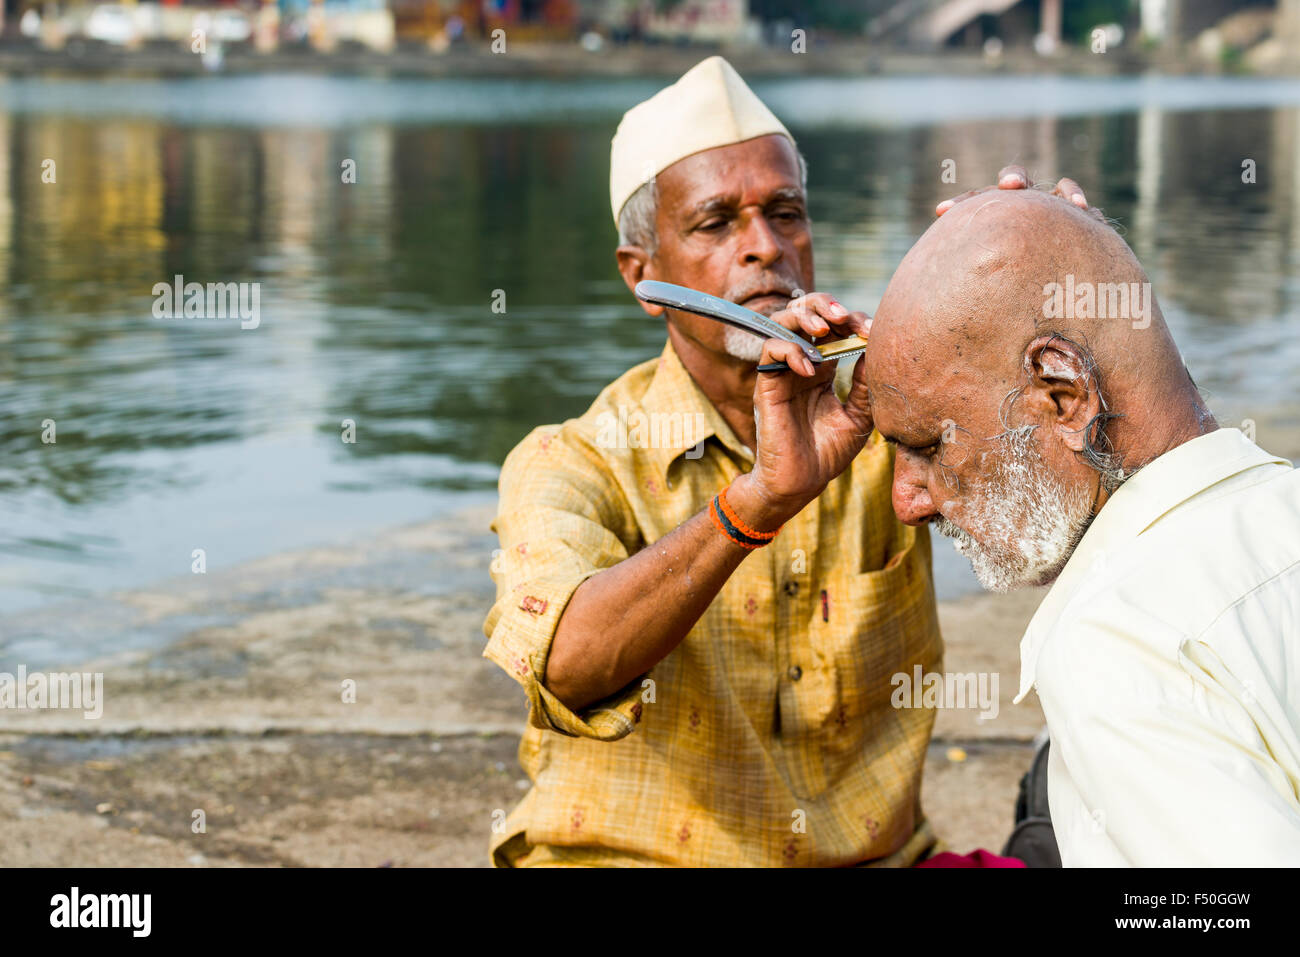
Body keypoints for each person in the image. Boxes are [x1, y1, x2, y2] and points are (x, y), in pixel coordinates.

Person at [481, 55, 1090, 867]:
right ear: (643, 275)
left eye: (785, 212)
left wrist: (1064, 301)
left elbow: (1075, 531)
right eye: (715, 223)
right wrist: (760, 501)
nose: (764, 247)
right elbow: (565, 665)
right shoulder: (572, 460)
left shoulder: (885, 414)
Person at [844, 188, 1300, 866]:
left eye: (929, 446)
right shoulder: (1279, 501)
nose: (906, 500)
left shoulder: (1114, 639)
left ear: (1062, 394)